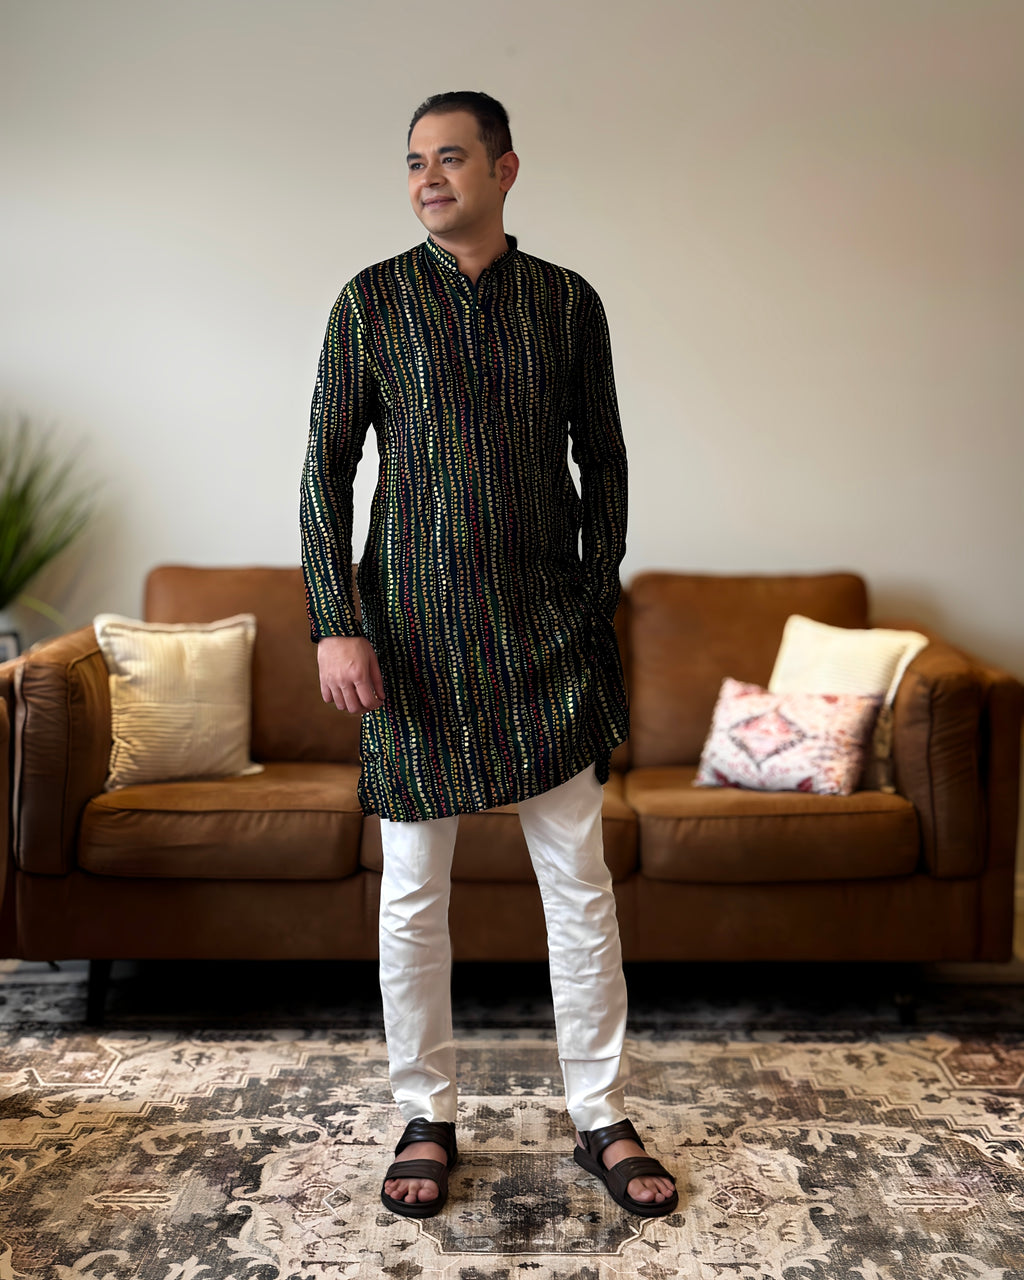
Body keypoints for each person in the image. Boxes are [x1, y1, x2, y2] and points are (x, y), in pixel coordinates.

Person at [300, 90, 676, 1221]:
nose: (427, 178)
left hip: (543, 636)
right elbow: (324, 472)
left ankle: (599, 1112)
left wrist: (589, 587)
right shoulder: (369, 302)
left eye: (450, 157)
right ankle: (427, 1110)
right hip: (409, 638)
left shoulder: (566, 303)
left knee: (579, 883)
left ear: (505, 169)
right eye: (414, 161)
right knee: (414, 891)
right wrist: (336, 615)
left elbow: (602, 460)